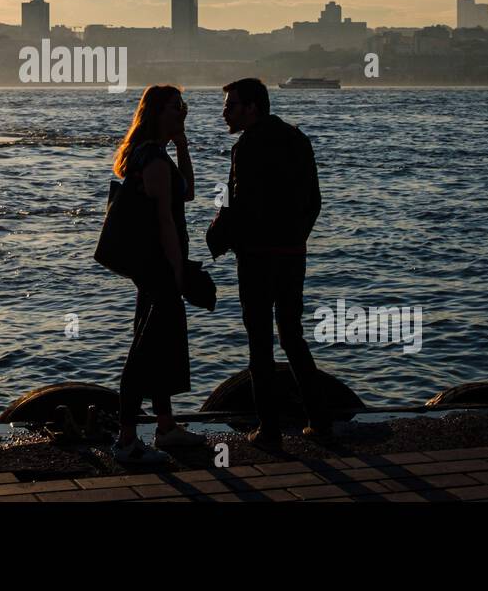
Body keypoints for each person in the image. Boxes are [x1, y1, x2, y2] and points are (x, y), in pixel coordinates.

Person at [208, 77, 328, 450]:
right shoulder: (298, 138)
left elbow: (237, 205)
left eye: (231, 106)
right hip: (293, 255)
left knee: (260, 341)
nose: (224, 112)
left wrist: (218, 237)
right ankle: (320, 420)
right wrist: (297, 238)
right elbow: (314, 200)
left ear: (252, 108)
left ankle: (269, 429)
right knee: (292, 335)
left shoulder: (246, 147)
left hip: (258, 257)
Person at [111, 84, 204, 464]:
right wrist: (177, 270)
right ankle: (127, 440)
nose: (180, 114)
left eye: (182, 108)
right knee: (145, 349)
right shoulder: (151, 160)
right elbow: (165, 219)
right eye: (173, 109)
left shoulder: (157, 154)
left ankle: (165, 427)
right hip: (158, 266)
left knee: (160, 342)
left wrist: (182, 145)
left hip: (152, 265)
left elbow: (189, 193)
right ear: (155, 113)